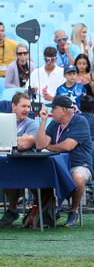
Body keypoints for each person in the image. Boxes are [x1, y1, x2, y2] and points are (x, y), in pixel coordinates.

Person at [36, 95, 93, 227]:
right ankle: (50, 210)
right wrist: (43, 121)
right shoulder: (54, 124)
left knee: (77, 177)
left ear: (62, 110)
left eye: (53, 109)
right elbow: (40, 145)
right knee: (36, 176)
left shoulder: (80, 121)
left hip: (79, 164)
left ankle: (73, 211)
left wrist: (49, 147)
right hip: (57, 166)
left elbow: (68, 146)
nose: (51, 112)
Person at [0, 92, 38, 227]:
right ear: (14, 106)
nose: (27, 110)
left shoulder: (32, 124)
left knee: (9, 172)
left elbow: (25, 144)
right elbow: (20, 142)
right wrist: (19, 139)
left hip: (27, 166)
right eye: (23, 106)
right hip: (6, 163)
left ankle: (12, 209)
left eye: (29, 107)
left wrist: (6, 141)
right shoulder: (3, 121)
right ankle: (12, 210)